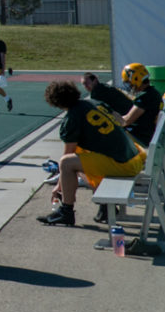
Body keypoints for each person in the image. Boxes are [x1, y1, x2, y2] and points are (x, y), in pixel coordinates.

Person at [38, 79, 146, 227]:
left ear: (55, 103)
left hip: (124, 164)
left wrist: (59, 185)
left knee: (67, 163)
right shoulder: (95, 103)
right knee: (81, 157)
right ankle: (104, 204)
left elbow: (66, 157)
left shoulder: (72, 118)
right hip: (135, 157)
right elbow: (120, 121)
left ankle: (66, 211)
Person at [101, 64, 162, 146]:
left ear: (136, 79)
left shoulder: (145, 97)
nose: (130, 85)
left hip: (141, 137)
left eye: (129, 82)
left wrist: (108, 112)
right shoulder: (153, 93)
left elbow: (126, 121)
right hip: (147, 133)